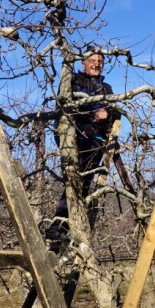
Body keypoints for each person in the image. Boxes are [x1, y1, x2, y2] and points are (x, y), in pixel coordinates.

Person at [46, 51, 121, 241]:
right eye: (92, 61)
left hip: (95, 141)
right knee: (75, 181)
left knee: (84, 183)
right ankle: (58, 227)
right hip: (76, 138)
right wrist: (86, 123)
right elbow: (69, 109)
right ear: (83, 63)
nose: (96, 64)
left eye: (100, 61)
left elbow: (116, 111)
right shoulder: (74, 82)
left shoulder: (106, 87)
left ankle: (66, 227)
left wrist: (107, 112)